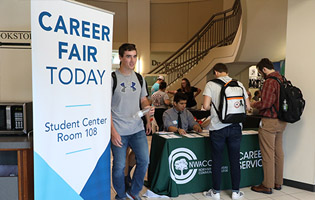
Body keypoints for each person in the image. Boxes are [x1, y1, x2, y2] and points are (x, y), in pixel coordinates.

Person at [111, 43, 154, 200]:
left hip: (137, 129)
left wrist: (148, 115)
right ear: (121, 57)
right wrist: (113, 132)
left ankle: (133, 192)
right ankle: (121, 195)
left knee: (144, 161)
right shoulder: (112, 78)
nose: (132, 60)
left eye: (134, 56)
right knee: (119, 167)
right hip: (119, 130)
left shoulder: (139, 78)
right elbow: (106, 108)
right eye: (128, 56)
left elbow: (143, 100)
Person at [202, 63, 250, 200]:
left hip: (218, 127)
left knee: (216, 160)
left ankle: (215, 192)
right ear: (227, 72)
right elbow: (248, 106)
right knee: (235, 160)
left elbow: (205, 106)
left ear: (216, 72)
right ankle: (236, 192)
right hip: (235, 127)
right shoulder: (239, 84)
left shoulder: (210, 84)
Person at [250, 58, 287, 194]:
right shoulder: (282, 79)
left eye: (260, 72)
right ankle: (278, 182)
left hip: (270, 121)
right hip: (282, 121)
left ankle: (267, 185)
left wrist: (254, 104)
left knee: (268, 154)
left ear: (264, 69)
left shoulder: (269, 82)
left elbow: (266, 103)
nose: (261, 75)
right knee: (279, 152)